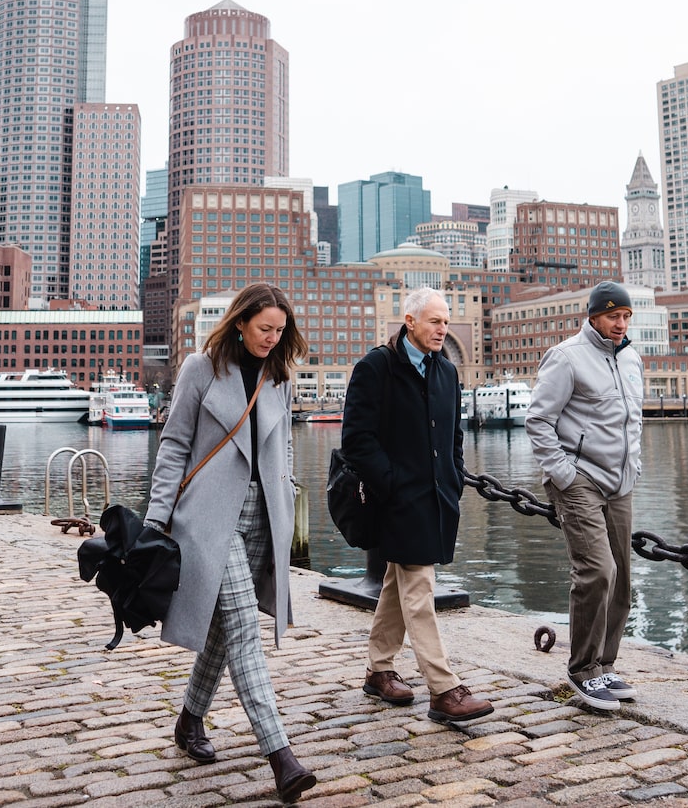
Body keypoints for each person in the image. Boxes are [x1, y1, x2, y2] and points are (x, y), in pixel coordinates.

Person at [143, 282, 317, 803]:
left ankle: (189, 719)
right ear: (240, 322)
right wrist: (156, 519)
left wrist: (285, 500)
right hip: (210, 519)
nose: (272, 337)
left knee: (224, 628)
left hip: (264, 519)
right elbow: (173, 444)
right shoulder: (201, 368)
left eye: (280, 330)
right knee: (243, 628)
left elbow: (282, 444)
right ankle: (280, 756)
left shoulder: (279, 375)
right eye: (265, 328)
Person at [341, 286, 494, 724]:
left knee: (399, 581)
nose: (443, 328)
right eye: (435, 321)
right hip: (396, 500)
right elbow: (356, 438)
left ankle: (379, 669)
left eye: (446, 321)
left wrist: (454, 476)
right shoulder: (377, 367)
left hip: (437, 498)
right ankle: (444, 689)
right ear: (409, 322)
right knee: (419, 587)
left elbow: (454, 436)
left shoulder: (446, 372)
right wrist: (389, 482)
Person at [525, 281, 643, 711]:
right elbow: (538, 420)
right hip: (580, 480)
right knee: (597, 570)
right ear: (593, 316)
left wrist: (635, 466)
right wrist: (563, 474)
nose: (621, 323)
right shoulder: (567, 357)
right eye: (614, 316)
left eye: (627, 316)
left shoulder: (631, 357)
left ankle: (604, 665)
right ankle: (581, 670)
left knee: (623, 579)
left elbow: (633, 422)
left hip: (621, 482)